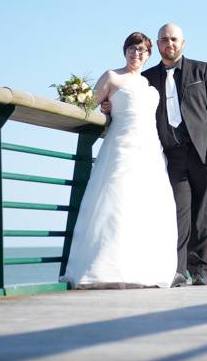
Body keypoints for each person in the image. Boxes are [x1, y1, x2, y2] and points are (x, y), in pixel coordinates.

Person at [60, 32, 178, 289]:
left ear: (149, 55)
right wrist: (102, 108)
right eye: (133, 49)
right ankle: (103, 267)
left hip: (148, 150)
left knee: (144, 206)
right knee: (115, 201)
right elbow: (91, 104)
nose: (137, 54)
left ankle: (141, 268)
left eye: (143, 50)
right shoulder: (112, 77)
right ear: (125, 51)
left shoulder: (149, 86)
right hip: (120, 146)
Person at [144, 23, 207, 286]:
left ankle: (200, 269)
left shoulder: (202, 70)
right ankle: (178, 270)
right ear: (158, 44)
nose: (170, 43)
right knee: (179, 212)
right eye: (164, 39)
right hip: (173, 153)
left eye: (174, 39)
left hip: (204, 153)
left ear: (183, 43)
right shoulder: (147, 78)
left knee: (202, 212)